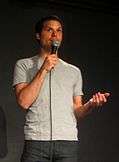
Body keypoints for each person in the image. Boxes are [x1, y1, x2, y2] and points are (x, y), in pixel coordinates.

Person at [13, 15, 110, 162]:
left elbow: (77, 112)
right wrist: (43, 69)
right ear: (38, 35)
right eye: (49, 30)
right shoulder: (24, 65)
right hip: (36, 143)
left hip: (67, 144)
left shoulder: (74, 71)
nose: (55, 34)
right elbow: (24, 102)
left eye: (59, 30)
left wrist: (91, 104)